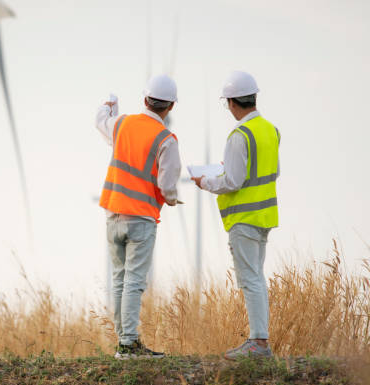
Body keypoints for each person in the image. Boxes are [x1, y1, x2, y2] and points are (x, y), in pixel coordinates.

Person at [192, 71, 280, 360]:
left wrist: (205, 182)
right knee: (256, 277)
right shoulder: (270, 130)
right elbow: (272, 171)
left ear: (231, 103)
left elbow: (232, 182)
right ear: (254, 97)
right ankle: (259, 340)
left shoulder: (238, 136)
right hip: (265, 217)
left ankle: (258, 343)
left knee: (251, 279)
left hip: (244, 219)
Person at [95, 74, 182, 359]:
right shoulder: (166, 139)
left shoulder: (122, 124)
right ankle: (129, 344)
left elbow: (101, 121)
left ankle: (124, 343)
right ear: (170, 107)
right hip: (141, 218)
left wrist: (110, 105)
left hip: (113, 213)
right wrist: (170, 200)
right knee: (134, 281)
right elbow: (168, 185)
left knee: (119, 279)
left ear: (145, 100)